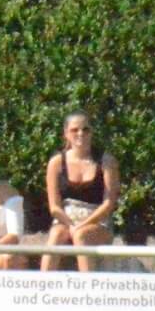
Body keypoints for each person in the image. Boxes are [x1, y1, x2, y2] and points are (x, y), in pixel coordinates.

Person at [43, 111, 119, 273]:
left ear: (92, 132)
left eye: (86, 129)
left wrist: (82, 226)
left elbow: (108, 203)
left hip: (98, 220)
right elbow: (54, 207)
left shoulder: (106, 162)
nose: (80, 134)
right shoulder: (56, 163)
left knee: (81, 235)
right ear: (66, 134)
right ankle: (42, 287)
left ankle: (87, 288)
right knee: (56, 235)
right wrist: (71, 225)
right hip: (66, 218)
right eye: (74, 130)